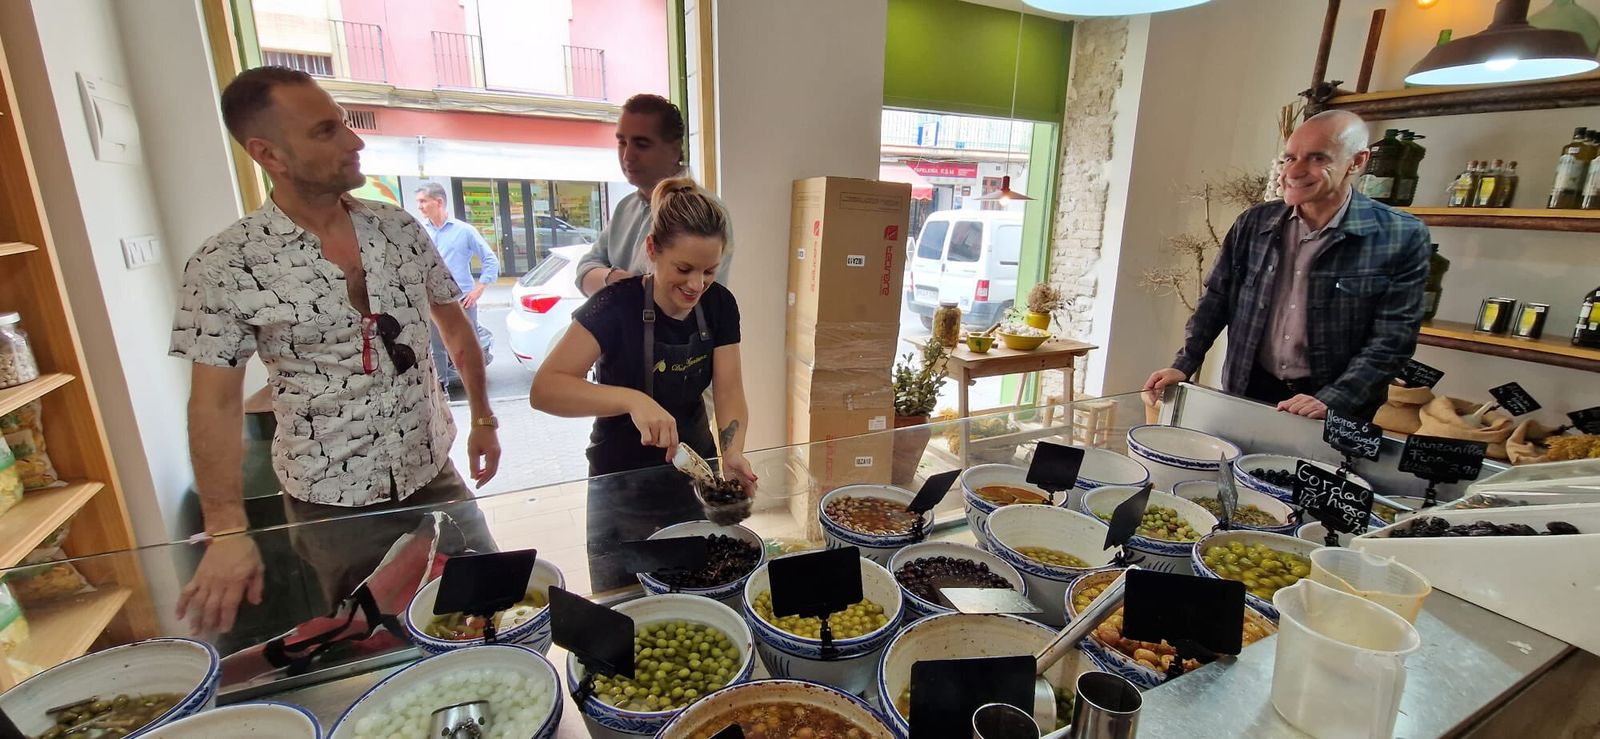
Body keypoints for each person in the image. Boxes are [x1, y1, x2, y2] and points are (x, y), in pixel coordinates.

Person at [170, 66, 501, 633]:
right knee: (381, 646)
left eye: (345, 124)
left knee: (496, 605)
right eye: (326, 132)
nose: (355, 141)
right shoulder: (225, 264)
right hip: (334, 507)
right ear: (268, 153)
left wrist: (484, 419)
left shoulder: (399, 228)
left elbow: (455, 327)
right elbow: (214, 404)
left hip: (434, 473)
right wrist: (226, 529)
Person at [531, 177, 754, 591]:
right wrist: (632, 399)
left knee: (694, 596)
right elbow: (546, 389)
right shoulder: (615, 305)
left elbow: (729, 390)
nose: (696, 285)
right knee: (627, 602)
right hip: (620, 484)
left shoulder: (720, 304)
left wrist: (733, 451)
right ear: (652, 250)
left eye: (709, 270)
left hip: (693, 481)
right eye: (683, 269)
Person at [1143, 110, 1430, 421]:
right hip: (1249, 389)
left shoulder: (1401, 236)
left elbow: (1393, 340)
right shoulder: (1254, 223)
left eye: (1317, 158)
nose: (1294, 171)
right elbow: (1216, 299)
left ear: (1357, 162)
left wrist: (1334, 399)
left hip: (1333, 403)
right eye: (1289, 158)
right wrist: (1184, 364)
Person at [576, 94, 735, 296]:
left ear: (674, 150)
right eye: (622, 142)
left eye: (641, 144)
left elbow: (696, 301)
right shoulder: (626, 207)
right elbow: (584, 271)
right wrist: (616, 280)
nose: (627, 156)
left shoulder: (706, 212)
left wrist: (616, 290)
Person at [415, 182, 499, 388]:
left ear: (439, 202)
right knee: (437, 349)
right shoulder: (419, 232)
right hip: (433, 302)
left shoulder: (464, 231)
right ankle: (442, 390)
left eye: (423, 201)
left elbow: (491, 260)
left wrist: (478, 290)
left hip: (462, 301)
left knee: (467, 346)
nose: (420, 207)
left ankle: (475, 388)